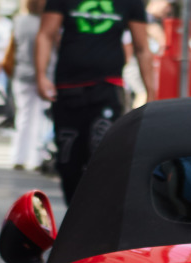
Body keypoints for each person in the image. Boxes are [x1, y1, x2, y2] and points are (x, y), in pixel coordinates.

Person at [36, 0, 154, 204]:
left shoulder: (131, 3)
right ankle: (75, 217)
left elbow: (142, 47)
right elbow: (46, 34)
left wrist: (151, 91)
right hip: (68, 89)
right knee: (68, 161)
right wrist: (40, 76)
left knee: (103, 156)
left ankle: (97, 220)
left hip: (107, 88)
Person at [10, 0, 52, 171]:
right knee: (40, 118)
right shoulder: (47, 22)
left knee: (24, 117)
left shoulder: (19, 21)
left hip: (22, 73)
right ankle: (35, 159)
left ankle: (19, 156)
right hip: (43, 75)